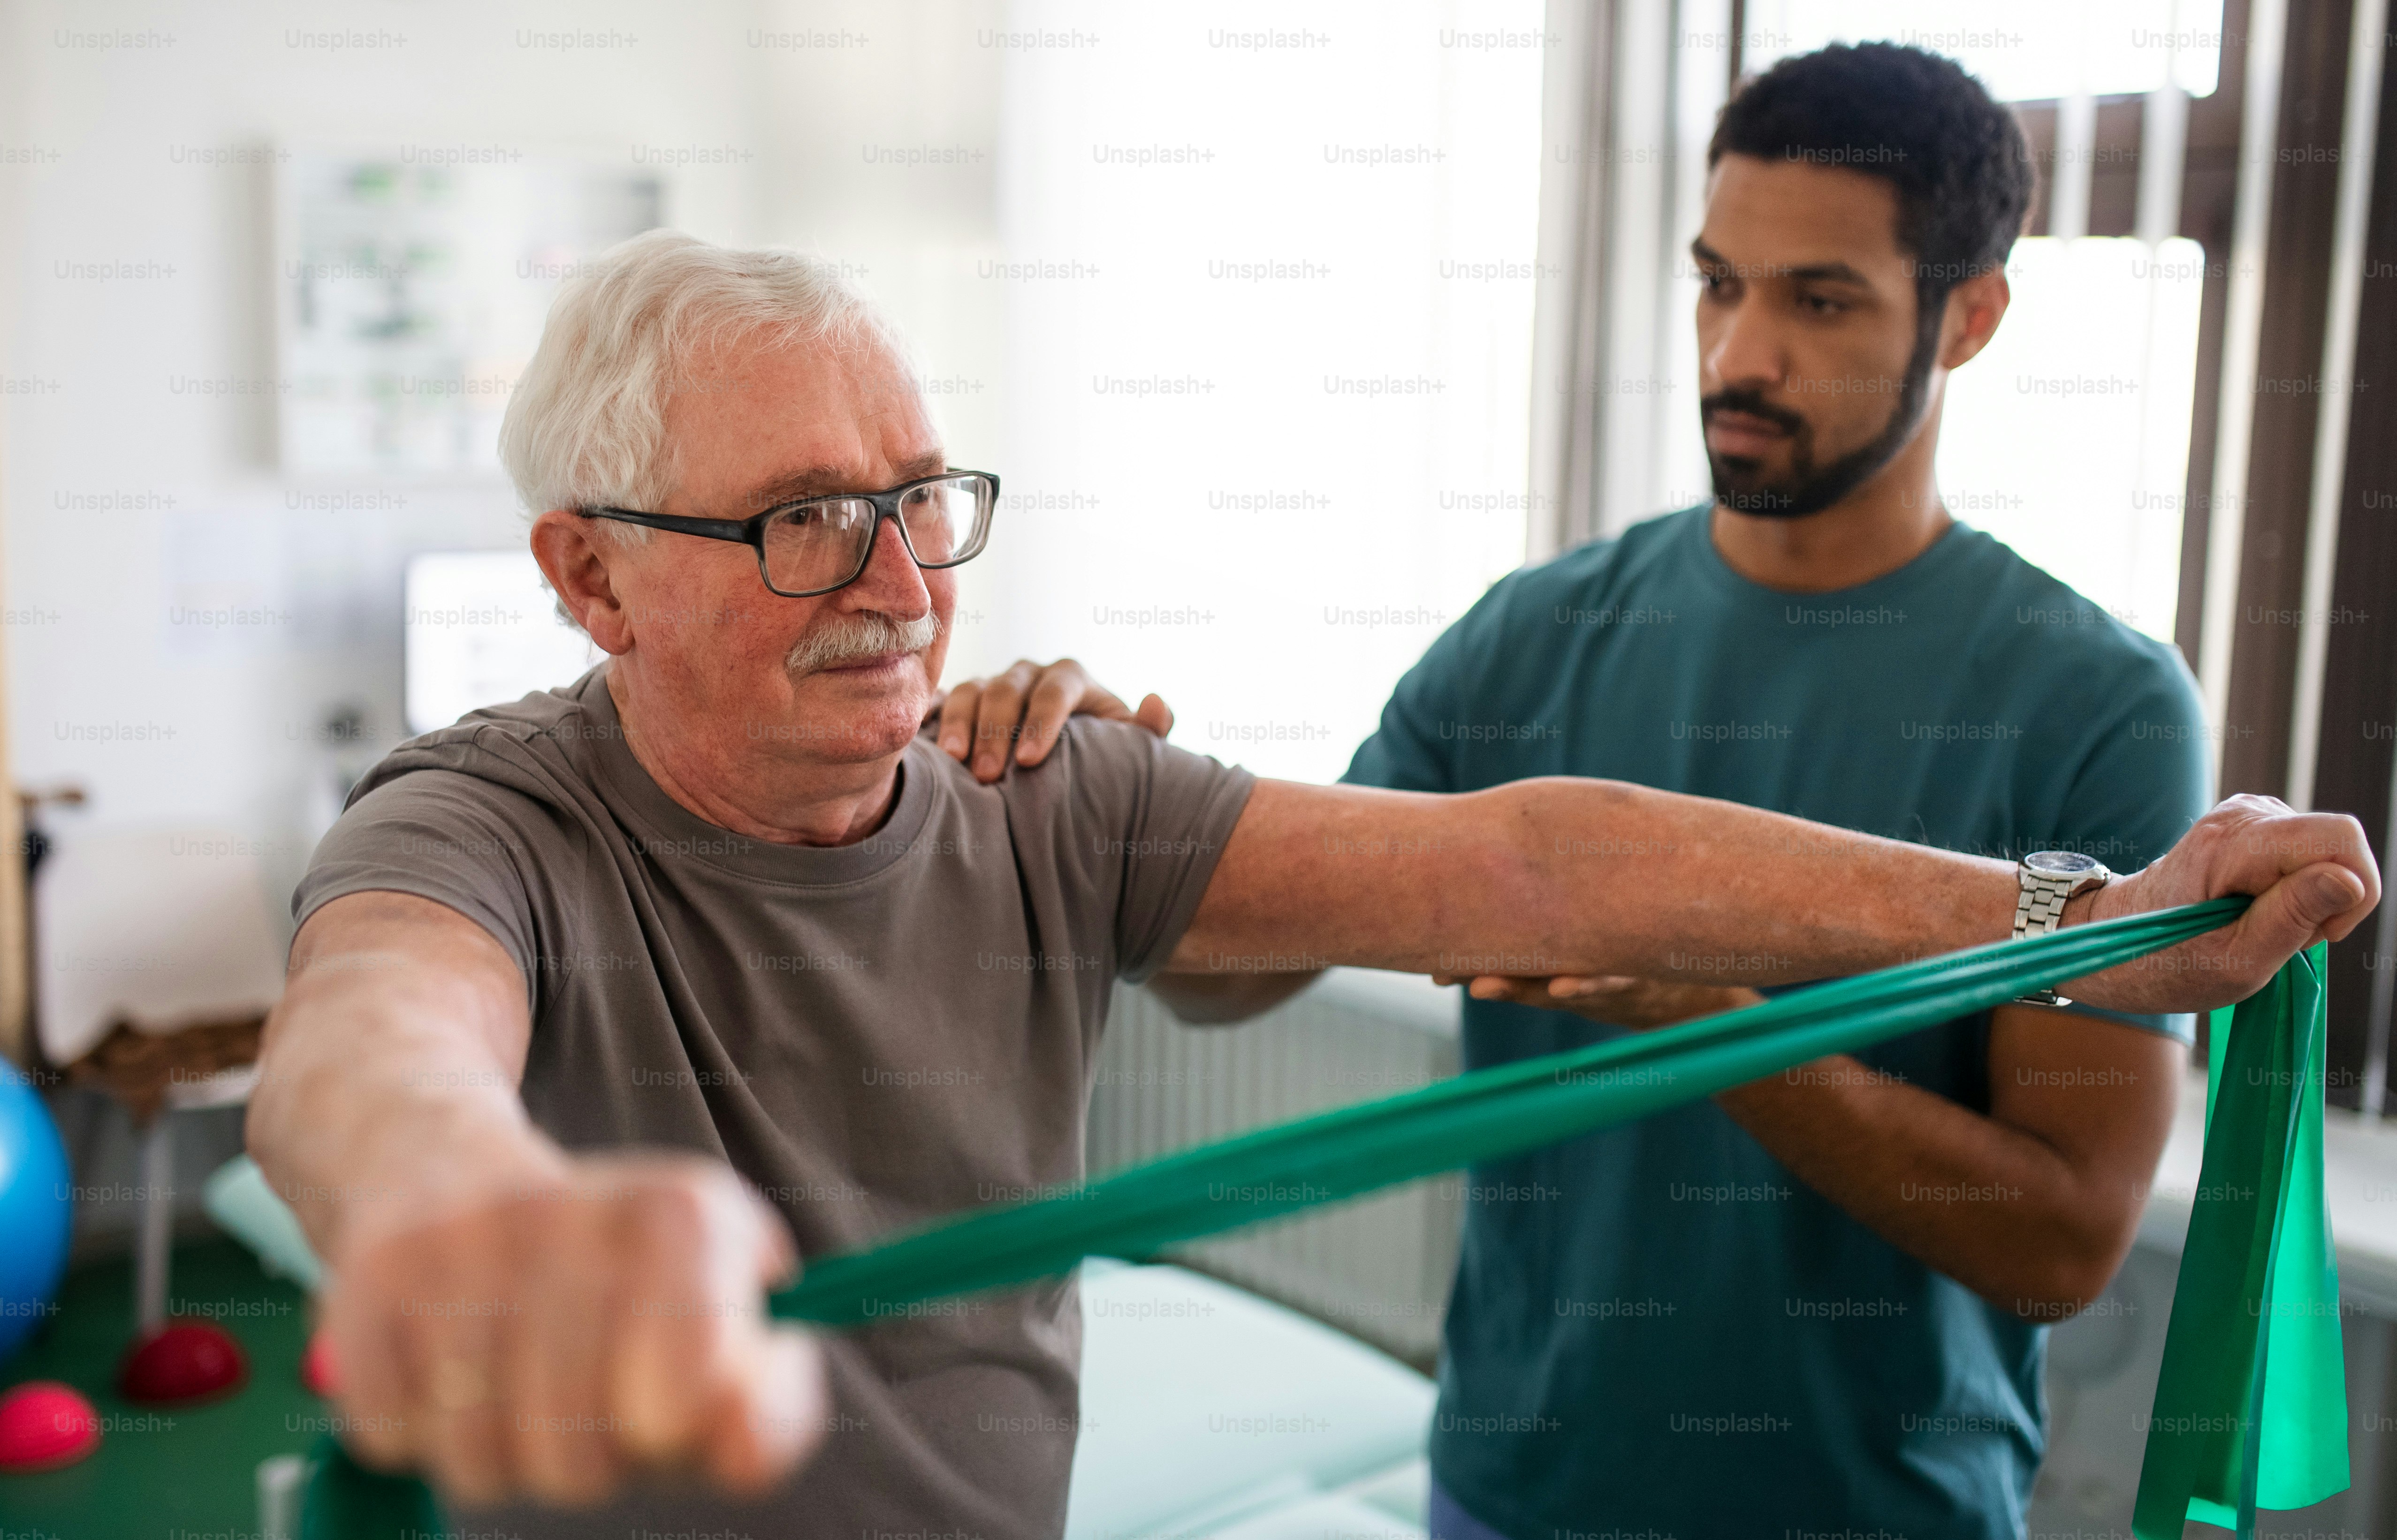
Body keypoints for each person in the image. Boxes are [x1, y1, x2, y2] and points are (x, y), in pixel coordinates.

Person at [245, 227, 2376, 1540]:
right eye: (805, 520)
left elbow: (1542, 856)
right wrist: (474, 1210)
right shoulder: (483, 822)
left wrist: (2100, 909)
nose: (904, 586)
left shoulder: (1041, 789)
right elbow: (368, 1050)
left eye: (921, 499)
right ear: (590, 574)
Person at [1036, 42, 2239, 1540]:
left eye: (1820, 299)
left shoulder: (2098, 702)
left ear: (1972, 316)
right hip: (1509, 1493)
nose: (1739, 355)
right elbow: (1235, 976)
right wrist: (1103, 801)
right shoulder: (1535, 636)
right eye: (1717, 281)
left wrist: (1695, 1019)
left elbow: (2059, 1237)